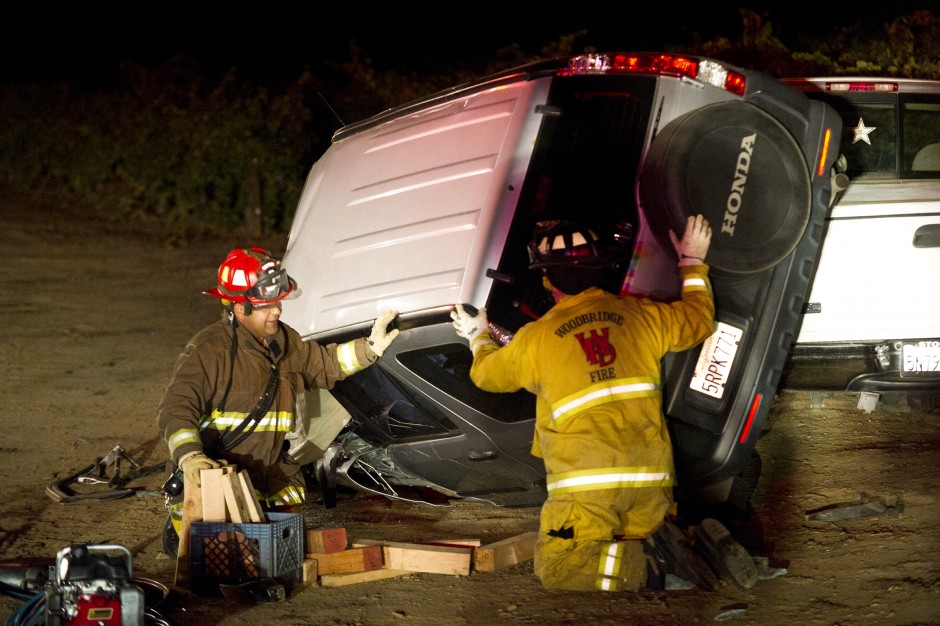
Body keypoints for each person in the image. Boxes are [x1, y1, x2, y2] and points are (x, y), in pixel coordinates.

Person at [451, 215, 757, 591]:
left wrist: (477, 335)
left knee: (558, 566)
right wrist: (692, 262)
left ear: (547, 280)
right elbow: (698, 321)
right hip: (652, 477)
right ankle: (695, 552)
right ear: (601, 267)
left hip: (587, 488)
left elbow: (486, 376)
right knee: (638, 540)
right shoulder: (639, 315)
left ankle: (663, 563)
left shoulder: (536, 340)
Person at [157, 247, 399, 553]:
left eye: (278, 303)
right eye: (266, 306)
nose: (277, 311)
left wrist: (369, 349)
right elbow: (176, 408)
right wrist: (190, 457)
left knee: (279, 553)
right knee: (220, 559)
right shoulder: (209, 350)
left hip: (269, 477)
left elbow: (324, 363)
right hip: (215, 480)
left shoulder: (284, 342)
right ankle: (183, 533)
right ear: (239, 308)